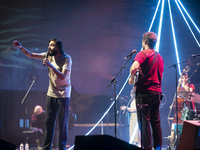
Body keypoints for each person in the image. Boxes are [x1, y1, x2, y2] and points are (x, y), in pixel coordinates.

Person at [13, 38, 72, 150]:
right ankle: (46, 148)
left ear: (58, 48)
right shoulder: (48, 55)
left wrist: (50, 66)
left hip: (63, 95)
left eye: (52, 45)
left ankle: (62, 147)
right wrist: (21, 47)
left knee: (62, 124)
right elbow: (31, 54)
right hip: (51, 94)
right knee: (48, 123)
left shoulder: (67, 59)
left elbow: (63, 77)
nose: (49, 47)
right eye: (49, 45)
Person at [128, 32, 164, 150]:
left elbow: (134, 68)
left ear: (144, 42)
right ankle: (158, 147)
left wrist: (132, 78)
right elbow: (160, 76)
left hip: (144, 93)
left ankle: (147, 148)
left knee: (144, 122)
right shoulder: (160, 57)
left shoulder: (142, 54)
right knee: (156, 122)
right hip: (157, 93)